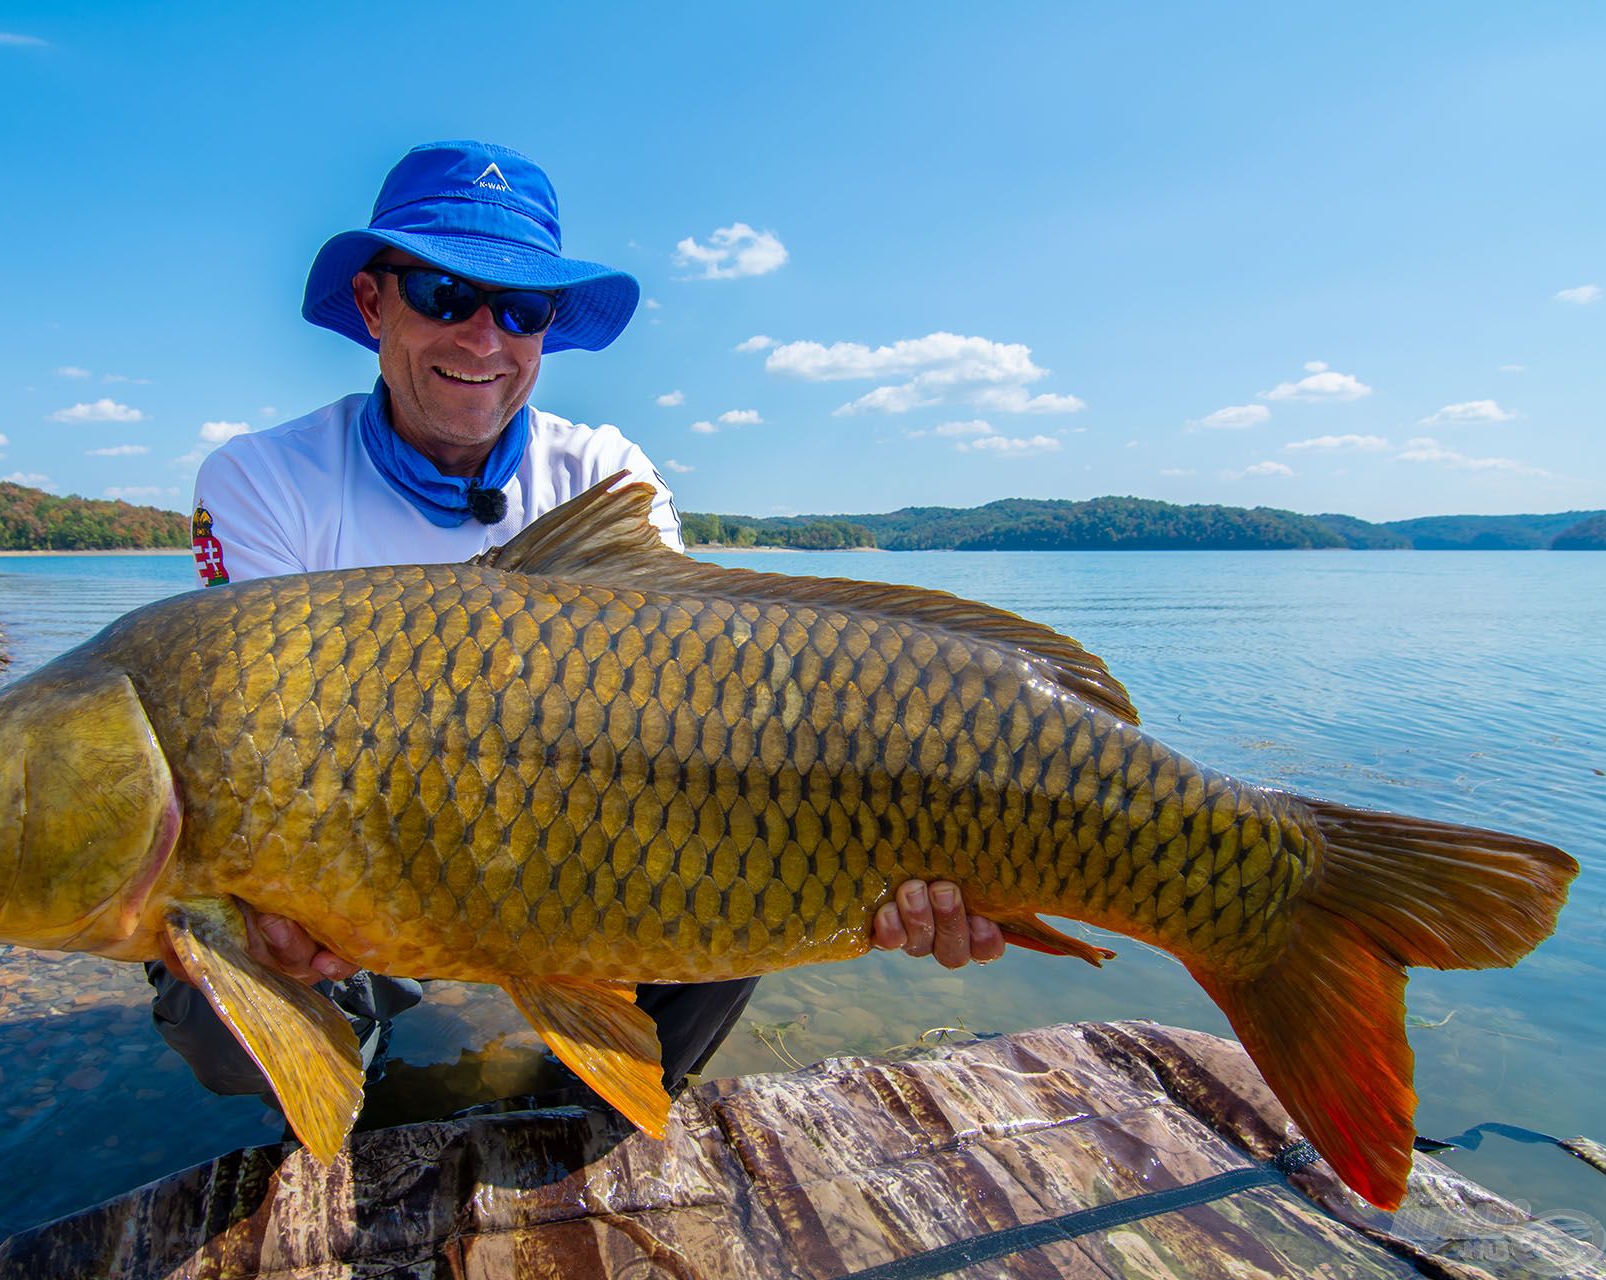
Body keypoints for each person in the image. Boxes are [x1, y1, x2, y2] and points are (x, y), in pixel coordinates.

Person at [149, 140, 1006, 1115]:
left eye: (521, 309)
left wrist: (879, 855)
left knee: (752, 853)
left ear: (547, 331)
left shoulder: (605, 470)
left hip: (568, 848)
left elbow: (699, 716)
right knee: (215, 993)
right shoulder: (263, 480)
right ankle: (366, 1101)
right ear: (373, 302)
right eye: (442, 292)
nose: (484, 338)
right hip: (366, 869)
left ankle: (597, 1112)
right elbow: (246, 754)